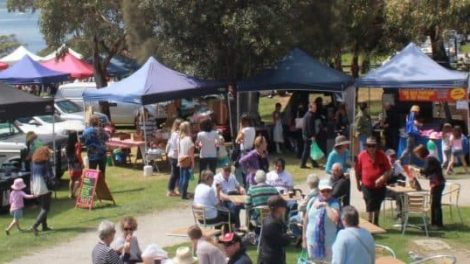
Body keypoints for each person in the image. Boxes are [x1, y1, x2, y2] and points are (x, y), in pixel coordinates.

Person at [355, 137, 391, 226]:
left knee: (377, 203)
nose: (371, 148)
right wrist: (358, 184)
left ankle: (376, 221)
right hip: (367, 185)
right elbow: (357, 171)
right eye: (369, 146)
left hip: (380, 185)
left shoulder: (382, 155)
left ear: (376, 146)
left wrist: (382, 178)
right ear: (366, 146)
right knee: (369, 204)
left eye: (373, 146)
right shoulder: (361, 156)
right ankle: (370, 222)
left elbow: (389, 170)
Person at [303, 179, 340, 262]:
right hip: (312, 240)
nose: (326, 193)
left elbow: (335, 219)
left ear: (331, 191)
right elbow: (306, 221)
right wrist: (304, 239)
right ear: (319, 191)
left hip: (329, 243)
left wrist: (326, 206)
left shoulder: (334, 203)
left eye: (328, 191)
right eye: (323, 191)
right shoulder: (312, 201)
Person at [414, 145, 446, 228]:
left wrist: (416, 170)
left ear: (421, 153)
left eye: (417, 154)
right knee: (434, 204)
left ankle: (438, 224)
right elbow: (428, 172)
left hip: (438, 183)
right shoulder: (429, 159)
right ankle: (433, 223)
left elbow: (425, 170)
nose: (417, 156)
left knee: (436, 204)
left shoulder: (430, 159)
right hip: (436, 183)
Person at [30, 146, 55, 235]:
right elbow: (49, 176)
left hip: (36, 186)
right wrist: (54, 183)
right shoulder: (46, 163)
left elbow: (31, 177)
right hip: (45, 187)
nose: (50, 155)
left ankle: (44, 226)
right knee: (46, 208)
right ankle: (35, 226)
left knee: (43, 207)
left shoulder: (34, 163)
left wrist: (32, 189)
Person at [259, 195, 290, 264]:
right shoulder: (272, 223)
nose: (285, 208)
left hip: (274, 255)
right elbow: (282, 241)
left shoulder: (274, 219)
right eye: (283, 206)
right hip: (271, 258)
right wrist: (288, 236)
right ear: (279, 208)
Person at [178, 121, 195, 200]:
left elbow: (179, 151)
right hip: (187, 159)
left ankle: (181, 191)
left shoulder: (180, 138)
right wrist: (193, 162)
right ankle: (184, 194)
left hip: (181, 159)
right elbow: (191, 152)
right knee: (186, 178)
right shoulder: (188, 139)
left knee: (181, 177)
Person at [165, 118, 182, 197]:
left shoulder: (173, 133)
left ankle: (177, 188)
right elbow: (177, 146)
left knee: (178, 173)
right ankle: (170, 190)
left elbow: (169, 143)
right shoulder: (176, 134)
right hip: (175, 156)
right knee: (174, 174)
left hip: (173, 155)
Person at [300, 102, 319, 168]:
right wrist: (313, 136)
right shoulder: (310, 115)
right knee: (307, 151)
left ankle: (314, 164)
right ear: (310, 108)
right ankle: (302, 164)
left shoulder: (307, 114)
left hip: (305, 135)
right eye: (314, 107)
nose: (316, 109)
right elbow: (310, 127)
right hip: (308, 136)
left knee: (310, 150)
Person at [66, 131, 83, 198]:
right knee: (78, 179)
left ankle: (70, 193)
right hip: (76, 163)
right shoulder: (77, 144)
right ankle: (73, 193)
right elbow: (78, 154)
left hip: (70, 164)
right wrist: (81, 162)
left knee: (72, 179)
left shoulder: (67, 146)